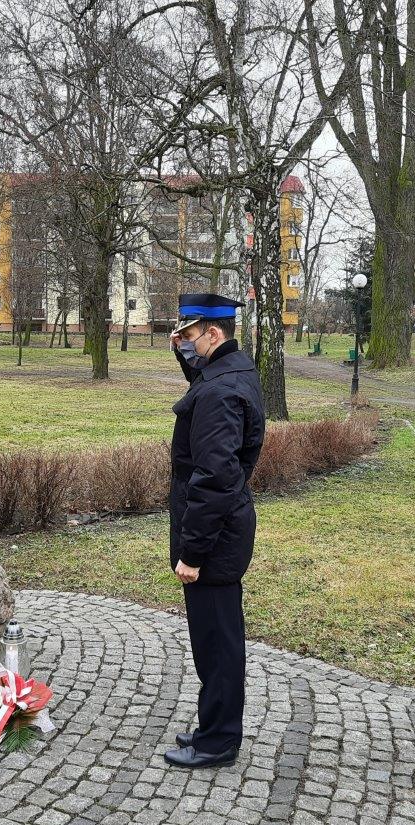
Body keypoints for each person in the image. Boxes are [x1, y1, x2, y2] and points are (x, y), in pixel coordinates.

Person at [165, 293, 265, 769]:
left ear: (214, 333)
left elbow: (214, 477)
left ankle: (219, 740)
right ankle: (213, 727)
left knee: (218, 643)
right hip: (226, 528)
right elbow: (203, 386)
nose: (184, 344)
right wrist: (183, 356)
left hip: (216, 537)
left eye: (189, 336)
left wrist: (193, 552)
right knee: (215, 637)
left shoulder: (220, 392)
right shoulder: (233, 371)